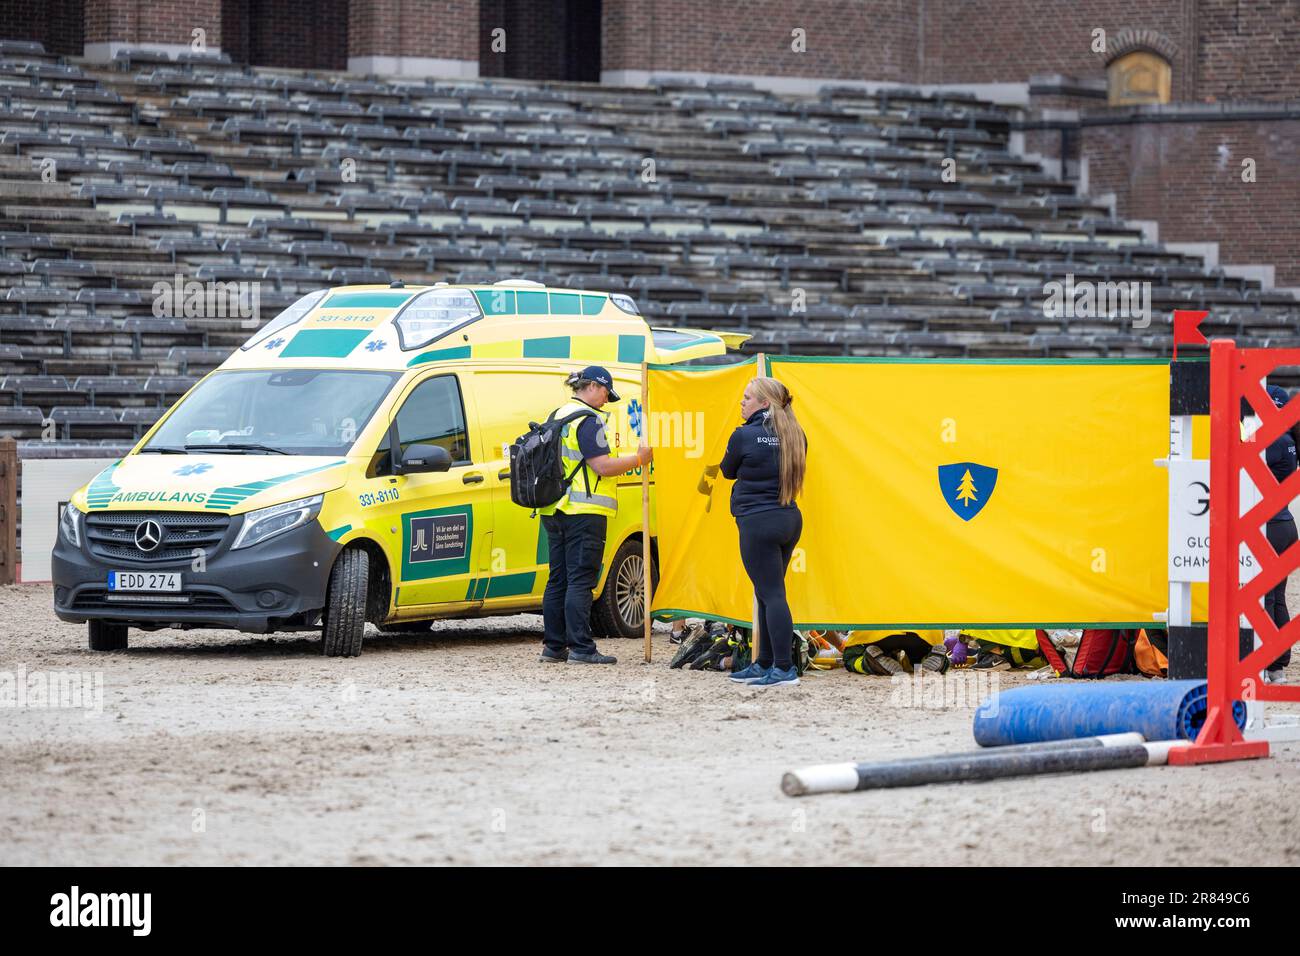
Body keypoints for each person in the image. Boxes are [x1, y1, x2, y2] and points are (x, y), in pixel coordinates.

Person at [537, 366, 652, 665]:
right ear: (593, 387)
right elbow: (602, 466)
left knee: (558, 579)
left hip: (555, 508)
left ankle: (553, 647)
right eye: (605, 393)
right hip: (584, 511)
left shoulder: (557, 415)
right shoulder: (587, 421)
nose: (605, 400)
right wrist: (639, 459)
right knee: (580, 580)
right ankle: (582, 649)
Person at [721, 376, 808, 688]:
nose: (742, 402)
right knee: (767, 592)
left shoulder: (743, 436)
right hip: (788, 518)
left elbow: (728, 471)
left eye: (747, 398)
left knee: (771, 594)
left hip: (758, 521)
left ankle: (783, 668)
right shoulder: (796, 434)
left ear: (764, 403)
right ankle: (765, 663)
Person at [1262, 384, 1296, 684]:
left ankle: (1270, 662)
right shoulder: (1287, 440)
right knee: (1278, 596)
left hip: (1269, 525)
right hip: (1285, 523)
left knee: (1267, 598)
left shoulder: (1269, 442)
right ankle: (1278, 665)